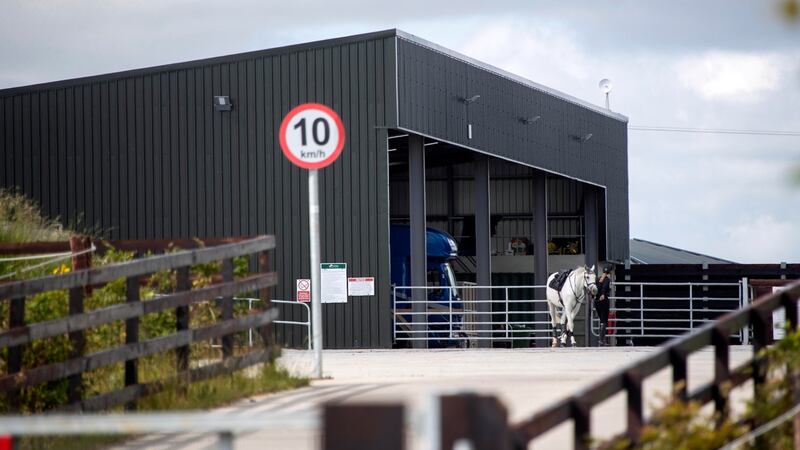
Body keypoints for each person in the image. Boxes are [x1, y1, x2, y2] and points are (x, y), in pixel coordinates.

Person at [595, 265, 613, 346]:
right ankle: (601, 340)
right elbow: (605, 288)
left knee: (601, 319)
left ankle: (602, 340)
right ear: (609, 272)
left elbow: (595, 289)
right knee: (604, 320)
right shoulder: (607, 280)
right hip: (604, 302)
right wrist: (603, 294)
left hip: (597, 302)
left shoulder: (598, 279)